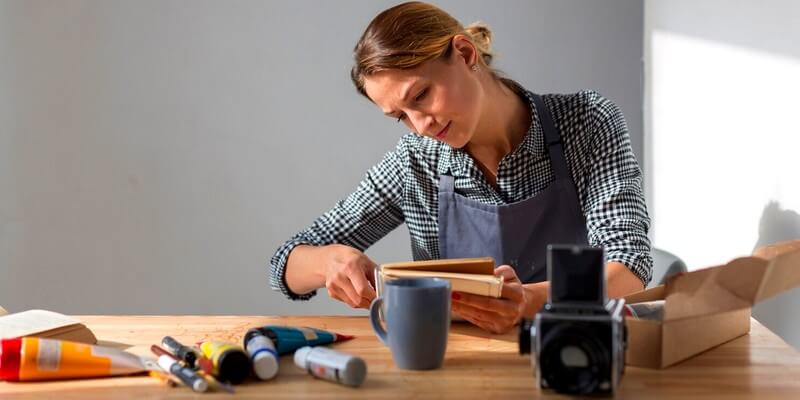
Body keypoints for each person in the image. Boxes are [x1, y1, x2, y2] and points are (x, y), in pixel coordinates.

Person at [269, 1, 652, 334]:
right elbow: (285, 264)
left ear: (466, 54)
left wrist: (528, 301)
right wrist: (328, 262)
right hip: (464, 362)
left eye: (421, 95)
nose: (421, 125)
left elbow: (629, 264)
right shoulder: (416, 161)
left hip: (579, 349)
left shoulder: (586, 123)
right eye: (400, 116)